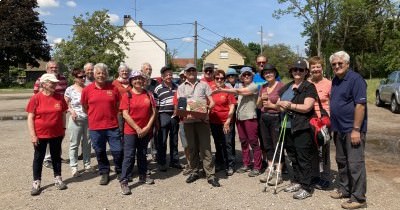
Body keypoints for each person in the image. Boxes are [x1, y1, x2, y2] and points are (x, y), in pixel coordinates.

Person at [329, 51, 367, 209]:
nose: (337, 66)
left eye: (340, 63)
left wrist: (356, 129)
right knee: (342, 161)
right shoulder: (335, 80)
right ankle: (345, 189)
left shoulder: (355, 79)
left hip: (353, 129)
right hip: (338, 129)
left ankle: (358, 198)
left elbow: (360, 105)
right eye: (334, 64)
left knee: (355, 163)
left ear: (347, 64)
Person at [277, 59, 318, 200]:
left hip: (302, 127)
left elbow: (307, 107)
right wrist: (280, 105)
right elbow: (278, 103)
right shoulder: (287, 86)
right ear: (291, 71)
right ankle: (297, 181)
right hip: (286, 126)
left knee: (303, 158)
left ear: (306, 72)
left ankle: (306, 186)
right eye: (295, 69)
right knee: (293, 156)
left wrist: (289, 106)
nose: (297, 72)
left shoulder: (309, 87)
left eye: (301, 70)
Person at [213, 67, 262, 177]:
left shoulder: (253, 86)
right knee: (244, 142)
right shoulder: (241, 85)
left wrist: (222, 90)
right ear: (241, 77)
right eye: (244, 75)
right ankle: (246, 164)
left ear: (252, 75)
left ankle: (257, 166)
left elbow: (239, 92)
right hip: (240, 118)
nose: (246, 76)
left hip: (250, 117)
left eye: (248, 74)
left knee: (254, 142)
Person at [177, 63, 220, 187]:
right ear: (185, 73)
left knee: (206, 148)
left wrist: (207, 110)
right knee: (192, 148)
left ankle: (210, 175)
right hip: (188, 122)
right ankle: (194, 171)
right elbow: (182, 104)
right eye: (188, 70)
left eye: (193, 70)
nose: (191, 72)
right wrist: (185, 113)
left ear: (196, 72)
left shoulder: (204, 85)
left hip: (202, 122)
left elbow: (212, 102)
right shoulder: (181, 87)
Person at [81, 63, 123, 186]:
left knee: (117, 150)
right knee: (100, 151)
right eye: (98, 73)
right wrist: (94, 115)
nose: (101, 75)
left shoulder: (113, 88)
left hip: (112, 125)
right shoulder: (87, 90)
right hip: (95, 127)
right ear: (94, 74)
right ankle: (104, 172)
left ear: (107, 74)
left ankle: (120, 170)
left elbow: (117, 105)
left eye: (103, 73)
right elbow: (85, 107)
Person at [27, 73, 68, 196]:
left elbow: (63, 114)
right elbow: (30, 117)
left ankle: (58, 178)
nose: (55, 84)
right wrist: (33, 135)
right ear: (44, 84)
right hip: (40, 134)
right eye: (52, 82)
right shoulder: (36, 98)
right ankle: (36, 182)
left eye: (55, 82)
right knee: (38, 158)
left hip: (57, 133)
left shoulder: (60, 97)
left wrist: (63, 128)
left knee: (56, 157)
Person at [119, 70, 156, 195]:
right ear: (131, 81)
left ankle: (143, 175)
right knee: (129, 156)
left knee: (142, 153)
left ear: (143, 80)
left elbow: (153, 112)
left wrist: (147, 127)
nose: (137, 81)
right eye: (135, 79)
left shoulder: (148, 94)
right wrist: (137, 128)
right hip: (130, 131)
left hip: (145, 130)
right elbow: (125, 114)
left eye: (139, 78)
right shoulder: (127, 95)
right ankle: (124, 180)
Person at [33, 60, 68, 169]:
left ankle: (56, 156)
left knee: (58, 135)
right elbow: (35, 94)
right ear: (47, 69)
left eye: (56, 67)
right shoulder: (40, 80)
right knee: (47, 136)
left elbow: (66, 93)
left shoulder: (63, 79)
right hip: (46, 110)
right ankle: (47, 159)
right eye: (51, 68)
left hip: (59, 109)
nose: (54, 69)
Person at [257, 64, 285, 185]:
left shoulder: (281, 86)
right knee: (267, 144)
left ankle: (279, 173)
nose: (268, 74)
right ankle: (270, 169)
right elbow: (258, 106)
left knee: (277, 145)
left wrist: (272, 106)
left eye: (270, 72)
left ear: (275, 73)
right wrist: (260, 99)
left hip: (276, 118)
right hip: (264, 118)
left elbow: (283, 106)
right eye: (265, 73)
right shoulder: (263, 87)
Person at [308, 56, 332, 190]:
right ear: (310, 69)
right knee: (312, 150)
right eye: (313, 67)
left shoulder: (329, 84)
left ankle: (326, 177)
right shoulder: (307, 83)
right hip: (310, 122)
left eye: (318, 66)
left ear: (322, 68)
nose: (316, 69)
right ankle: (315, 175)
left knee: (325, 151)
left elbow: (333, 103)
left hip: (324, 122)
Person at [64, 68, 93, 178]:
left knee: (87, 143)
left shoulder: (88, 88)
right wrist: (71, 111)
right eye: (81, 77)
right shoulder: (69, 89)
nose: (83, 78)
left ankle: (87, 165)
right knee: (74, 144)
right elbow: (65, 103)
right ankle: (74, 167)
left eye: (84, 76)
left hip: (88, 119)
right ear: (75, 78)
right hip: (76, 119)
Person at [154, 66, 183, 171]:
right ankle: (162, 162)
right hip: (163, 115)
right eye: (166, 75)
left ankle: (174, 161)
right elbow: (156, 106)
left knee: (174, 140)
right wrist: (156, 119)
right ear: (162, 77)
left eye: (170, 74)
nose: (169, 76)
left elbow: (180, 101)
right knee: (162, 140)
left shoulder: (177, 87)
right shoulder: (158, 88)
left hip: (175, 115)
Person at [209, 70, 237, 176]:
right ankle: (220, 162)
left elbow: (232, 106)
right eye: (217, 78)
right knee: (218, 143)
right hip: (214, 121)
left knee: (228, 143)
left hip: (226, 121)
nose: (219, 80)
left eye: (221, 78)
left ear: (224, 79)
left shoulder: (228, 90)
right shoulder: (210, 90)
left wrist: (228, 121)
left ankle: (230, 165)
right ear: (214, 79)